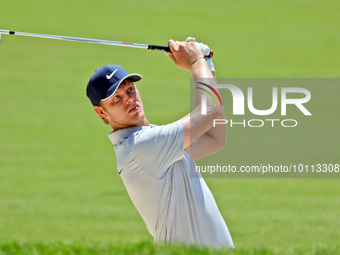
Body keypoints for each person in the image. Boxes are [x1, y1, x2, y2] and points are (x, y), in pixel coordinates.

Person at [86, 38, 234, 248]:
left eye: (130, 90)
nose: (129, 98)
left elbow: (215, 139)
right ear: (101, 112)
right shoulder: (140, 147)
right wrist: (196, 62)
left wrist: (207, 65)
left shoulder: (154, 142)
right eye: (116, 98)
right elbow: (211, 111)